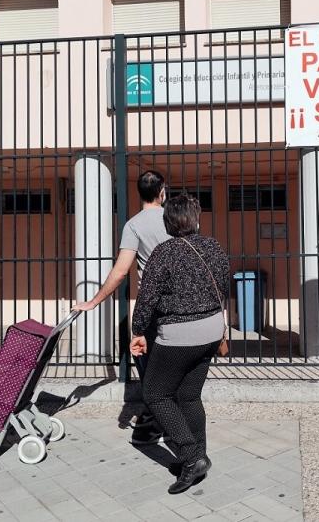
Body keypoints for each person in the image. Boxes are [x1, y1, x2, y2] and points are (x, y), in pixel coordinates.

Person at [131, 194, 230, 494]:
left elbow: (147, 297)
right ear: (196, 219)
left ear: (168, 222)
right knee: (188, 395)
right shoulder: (214, 246)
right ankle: (198, 454)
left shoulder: (163, 253)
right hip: (212, 330)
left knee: (156, 393)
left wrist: (138, 331)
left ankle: (191, 457)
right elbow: (224, 283)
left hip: (179, 335)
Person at [73, 170, 171, 444]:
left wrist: (93, 302)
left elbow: (120, 271)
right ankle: (171, 419)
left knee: (147, 363)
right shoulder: (175, 219)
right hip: (181, 305)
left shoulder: (134, 225)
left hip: (152, 306)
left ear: (139, 192)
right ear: (162, 191)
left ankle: (153, 423)